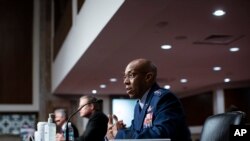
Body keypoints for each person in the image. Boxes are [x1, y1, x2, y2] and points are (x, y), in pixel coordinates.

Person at [106, 58, 191, 141]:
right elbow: (135, 132)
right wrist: (115, 130)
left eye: (131, 75)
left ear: (148, 77)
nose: (125, 81)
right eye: (125, 77)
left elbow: (161, 135)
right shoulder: (138, 105)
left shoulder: (164, 98)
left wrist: (120, 134)